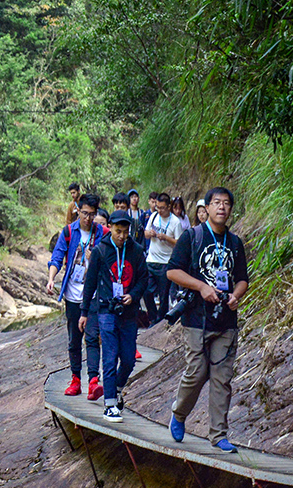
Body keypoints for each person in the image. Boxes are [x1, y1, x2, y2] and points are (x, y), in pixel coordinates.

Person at [165, 187, 251, 451]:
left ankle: (219, 435)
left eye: (226, 203)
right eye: (216, 203)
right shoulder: (193, 236)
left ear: (231, 209)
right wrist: (201, 287)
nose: (221, 208)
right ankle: (179, 415)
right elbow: (172, 272)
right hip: (196, 320)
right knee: (197, 372)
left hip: (225, 320)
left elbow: (243, 279)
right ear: (207, 207)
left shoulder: (235, 243)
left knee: (222, 379)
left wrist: (236, 295)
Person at [79, 211, 150, 421]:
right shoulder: (101, 250)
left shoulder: (136, 251)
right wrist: (84, 313)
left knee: (128, 359)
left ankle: (117, 388)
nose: (121, 236)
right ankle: (109, 404)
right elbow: (90, 282)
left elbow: (143, 279)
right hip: (106, 310)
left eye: (125, 232)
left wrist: (133, 296)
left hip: (128, 312)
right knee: (109, 357)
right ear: (110, 227)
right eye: (118, 231)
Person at [47, 194, 105, 399]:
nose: (88, 218)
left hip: (94, 295)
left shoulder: (102, 233)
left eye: (92, 214)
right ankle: (75, 380)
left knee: (91, 337)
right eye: (84, 213)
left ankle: (93, 381)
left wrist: (96, 256)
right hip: (72, 294)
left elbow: (112, 257)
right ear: (77, 211)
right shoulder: (68, 232)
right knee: (74, 340)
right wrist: (51, 279)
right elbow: (57, 256)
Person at [144, 191, 184, 318]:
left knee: (163, 296)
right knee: (146, 291)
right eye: (157, 207)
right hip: (151, 259)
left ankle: (160, 320)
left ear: (168, 207)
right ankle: (152, 317)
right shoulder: (154, 216)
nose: (159, 210)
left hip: (165, 263)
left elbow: (179, 243)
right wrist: (149, 234)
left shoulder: (175, 222)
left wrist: (166, 238)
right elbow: (145, 233)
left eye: (162, 208)